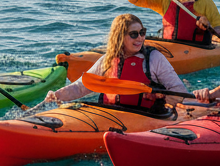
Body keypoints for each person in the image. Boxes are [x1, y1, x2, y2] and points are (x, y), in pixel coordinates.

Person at [45, 13, 187, 111]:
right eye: (133, 34)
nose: (140, 38)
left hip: (146, 116)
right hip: (110, 114)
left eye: (142, 32)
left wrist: (162, 97)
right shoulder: (107, 60)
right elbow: (81, 87)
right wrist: (57, 96)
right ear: (119, 37)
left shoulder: (154, 59)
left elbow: (179, 91)